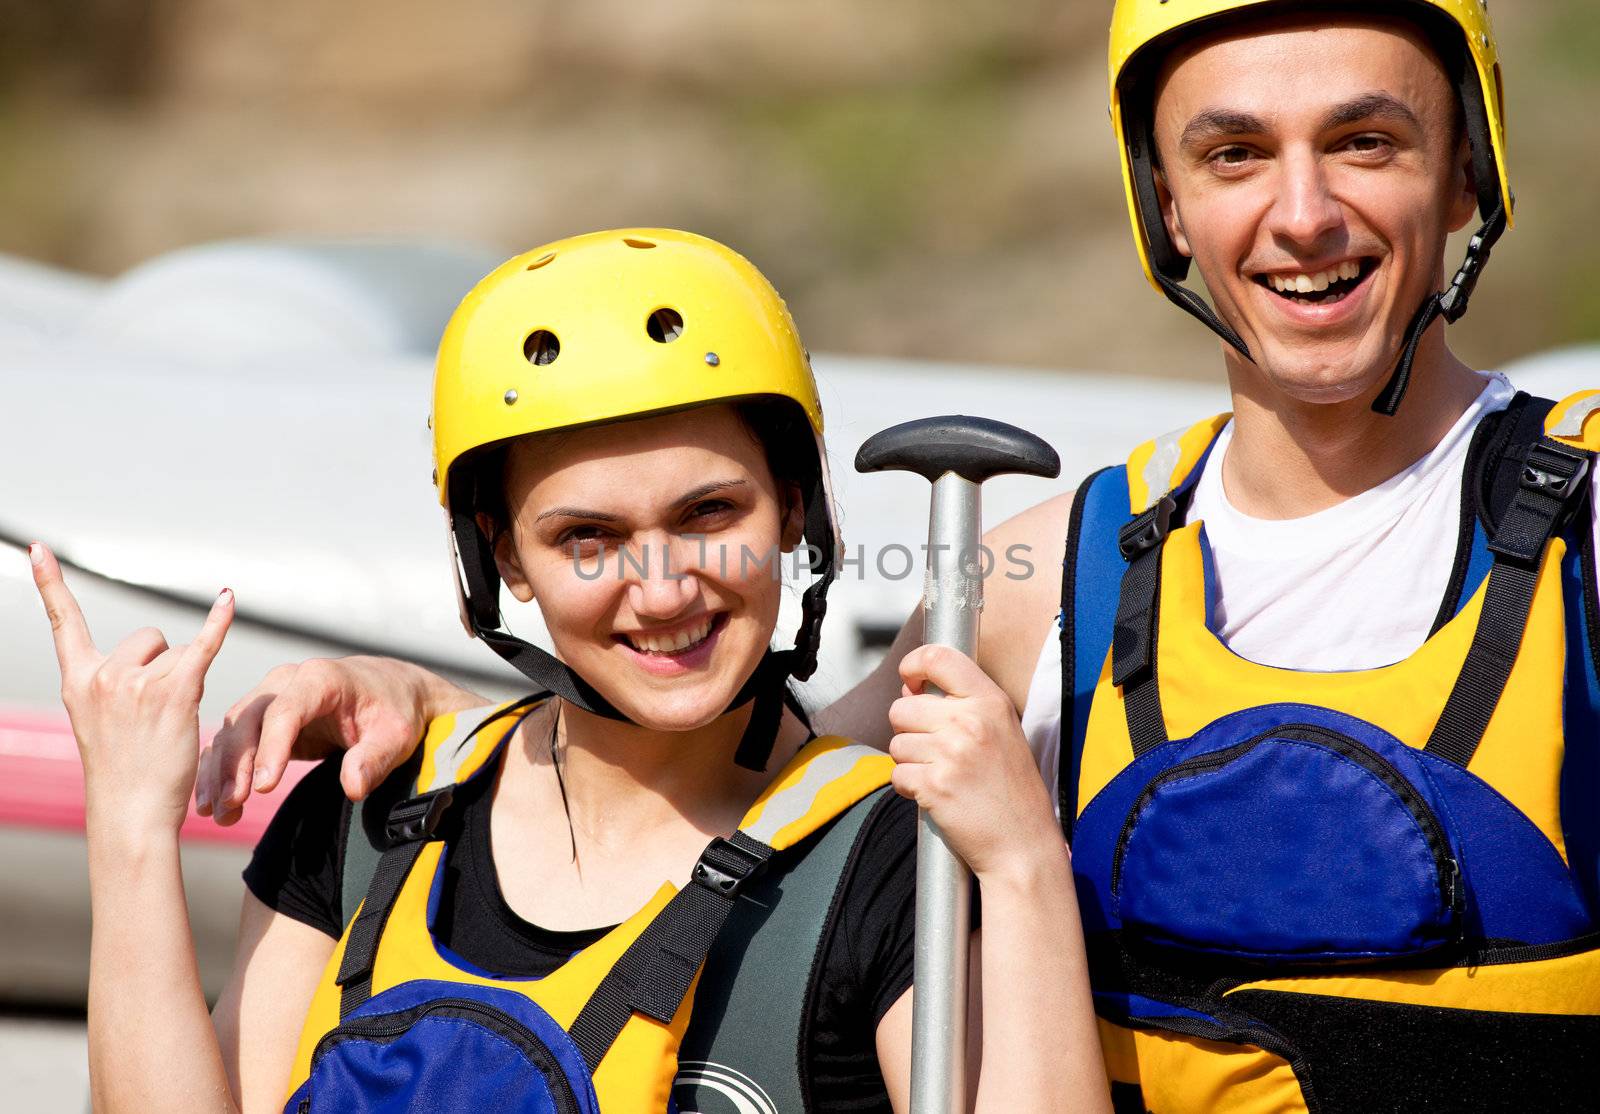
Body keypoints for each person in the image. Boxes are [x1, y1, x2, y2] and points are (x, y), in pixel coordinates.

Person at [197, 4, 1600, 1110]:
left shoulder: (1589, 524)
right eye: (1233, 154)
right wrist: (426, 709)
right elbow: (721, 762)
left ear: (1465, 166)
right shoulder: (1039, 573)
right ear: (1167, 205)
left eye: (1365, 141)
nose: (1301, 213)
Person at [30, 229, 1109, 1112]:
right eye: (587, 537)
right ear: (503, 556)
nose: (664, 589)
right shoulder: (374, 812)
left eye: (709, 513)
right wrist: (130, 823)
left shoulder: (886, 865)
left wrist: (1020, 867)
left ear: (795, 510)